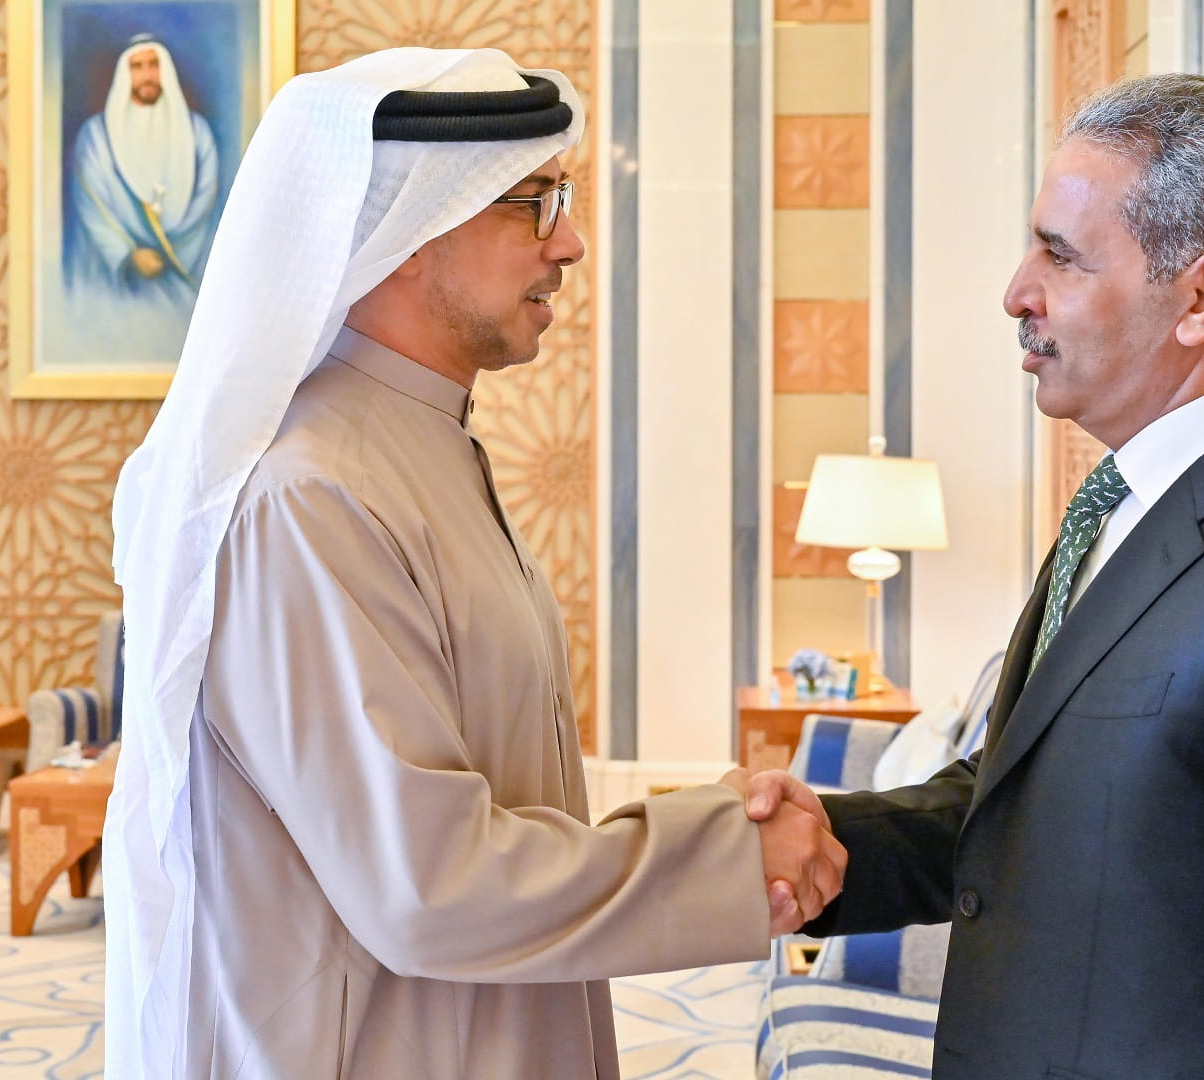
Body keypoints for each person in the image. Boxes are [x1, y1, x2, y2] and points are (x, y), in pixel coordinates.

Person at [106, 48, 843, 1079]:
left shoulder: (416, 444)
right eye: (534, 204)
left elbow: (488, 798)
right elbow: (426, 884)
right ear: (413, 231)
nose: (570, 243)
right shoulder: (308, 496)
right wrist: (718, 853)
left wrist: (701, 822)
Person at [740, 73, 1204, 1078]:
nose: (1017, 292)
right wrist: (820, 840)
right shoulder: (1123, 503)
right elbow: (1023, 809)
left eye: (1062, 255)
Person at [66, 34, 219, 318]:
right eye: (137, 67)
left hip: (184, 271)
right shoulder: (96, 136)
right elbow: (91, 208)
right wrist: (127, 256)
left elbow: (207, 200)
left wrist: (175, 251)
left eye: (154, 65)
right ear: (124, 73)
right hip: (121, 283)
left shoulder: (197, 132)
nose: (147, 75)